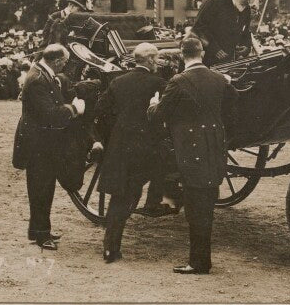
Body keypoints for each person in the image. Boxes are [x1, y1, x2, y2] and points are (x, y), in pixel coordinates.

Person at [147, 37, 238, 274]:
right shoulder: (219, 79)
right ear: (202, 53)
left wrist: (153, 103)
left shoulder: (178, 81)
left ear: (181, 54)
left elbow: (159, 115)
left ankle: (198, 262)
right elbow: (233, 104)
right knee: (206, 203)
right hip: (214, 146)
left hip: (190, 149)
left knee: (195, 207)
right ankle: (201, 260)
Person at [95, 43, 171, 263]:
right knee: (138, 188)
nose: (157, 63)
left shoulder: (118, 82)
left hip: (121, 146)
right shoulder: (158, 83)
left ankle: (110, 248)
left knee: (120, 196)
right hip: (146, 147)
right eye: (156, 59)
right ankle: (154, 202)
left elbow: (100, 110)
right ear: (150, 60)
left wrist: (115, 132)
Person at [18, 44, 86, 250]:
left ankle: (38, 230)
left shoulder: (41, 73)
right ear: (56, 61)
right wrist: (74, 109)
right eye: (64, 62)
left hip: (41, 141)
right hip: (38, 144)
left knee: (42, 187)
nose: (64, 66)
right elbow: (50, 114)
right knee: (41, 189)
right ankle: (41, 235)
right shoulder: (38, 79)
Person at [190, 0, 262, 66]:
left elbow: (246, 32)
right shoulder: (213, 3)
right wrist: (215, 49)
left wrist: (246, 47)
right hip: (207, 63)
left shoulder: (246, 10)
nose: (248, 1)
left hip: (229, 64)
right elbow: (198, 30)